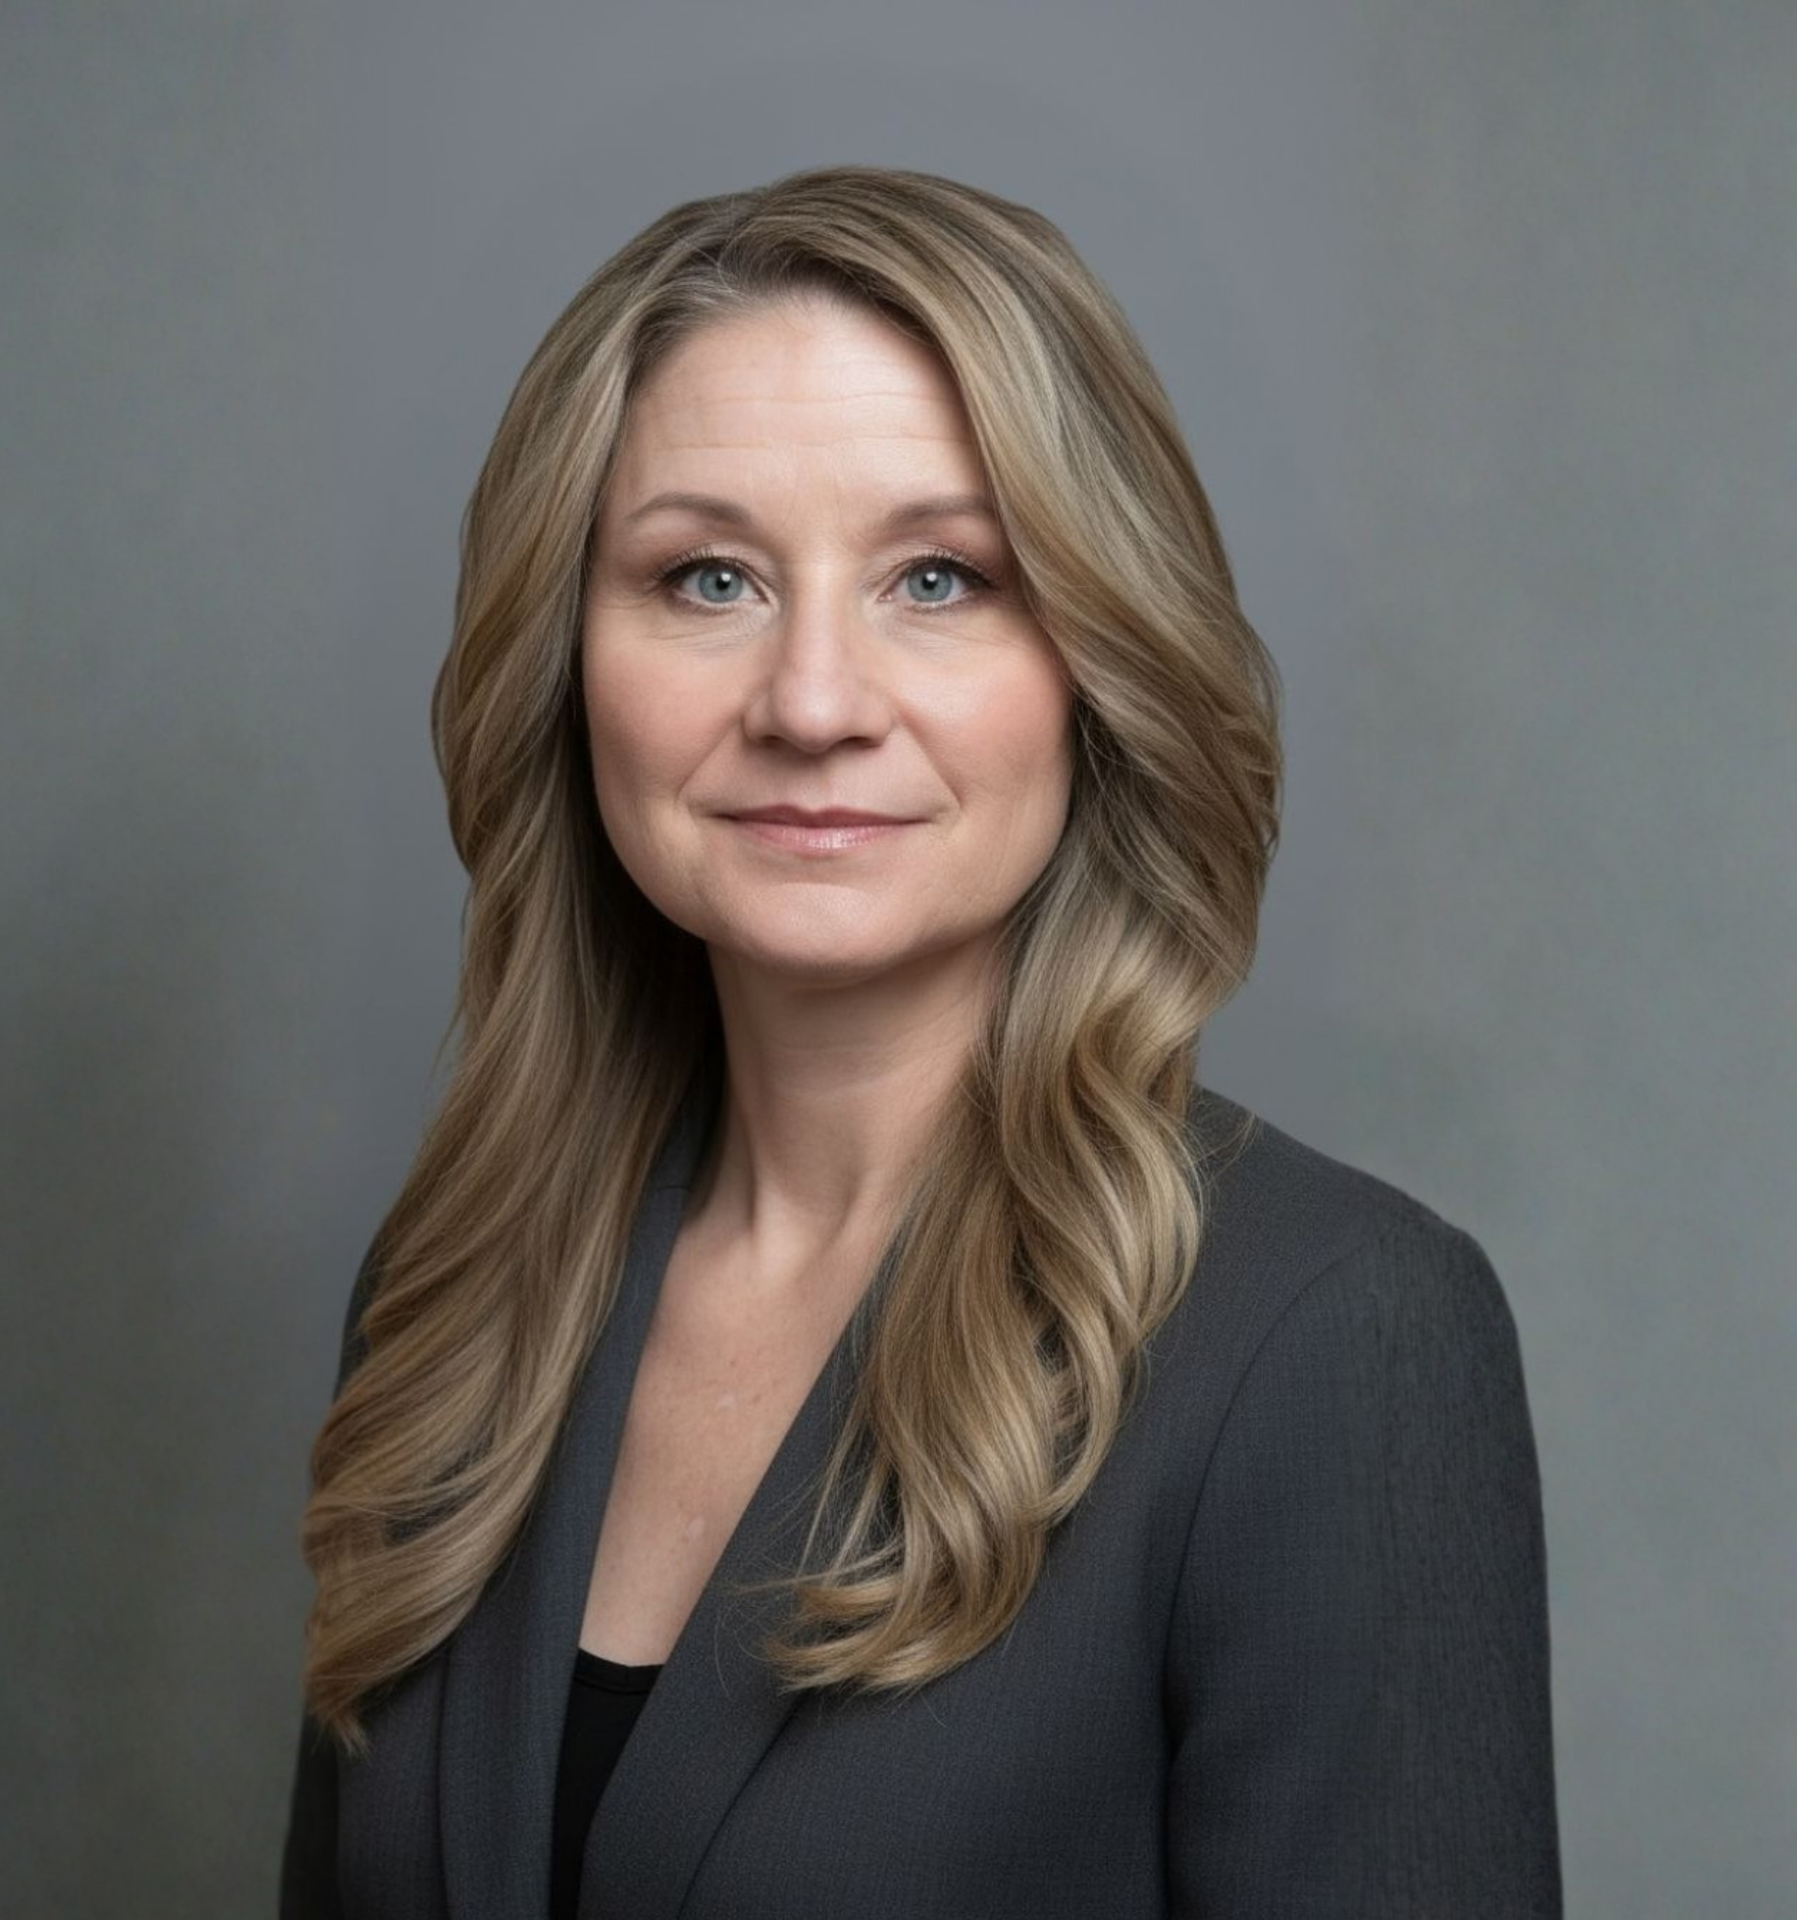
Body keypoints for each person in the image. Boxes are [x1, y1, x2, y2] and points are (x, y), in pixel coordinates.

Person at [279, 164, 1562, 1918]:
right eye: (708, 576)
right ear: (567, 659)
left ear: (1103, 660)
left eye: (941, 578)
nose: (813, 702)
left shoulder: (1338, 1344)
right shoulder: (451, 1299)